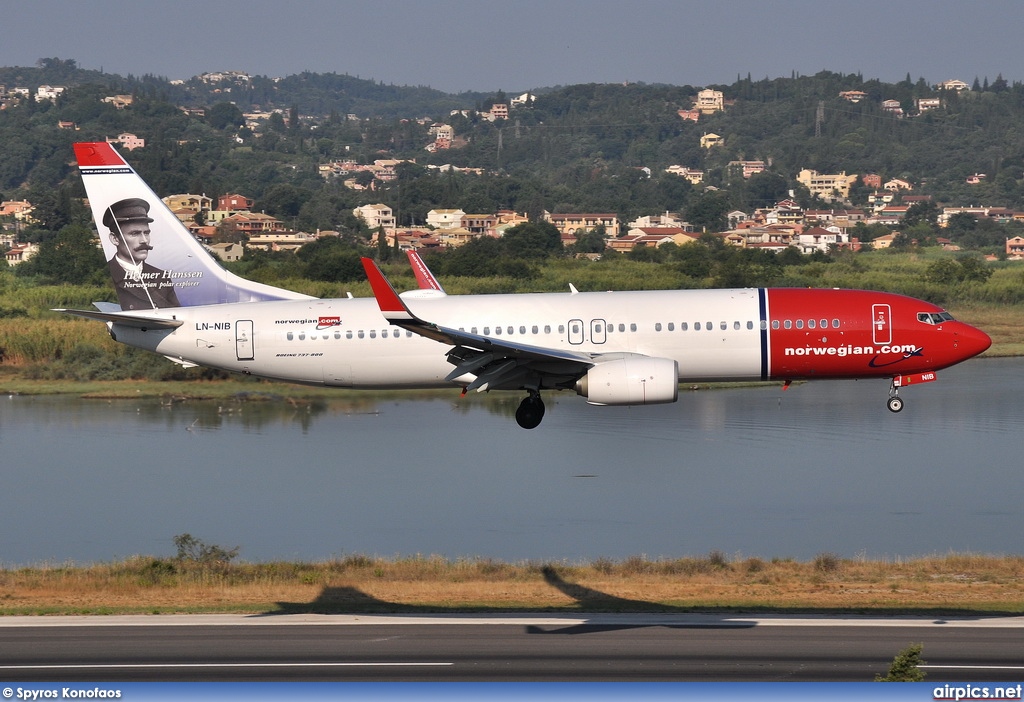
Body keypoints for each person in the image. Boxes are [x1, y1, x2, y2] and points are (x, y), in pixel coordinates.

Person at [104, 198, 180, 310]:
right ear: (115, 239)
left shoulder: (161, 277)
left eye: (147, 233)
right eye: (135, 234)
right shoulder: (105, 275)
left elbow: (177, 315)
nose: (144, 240)